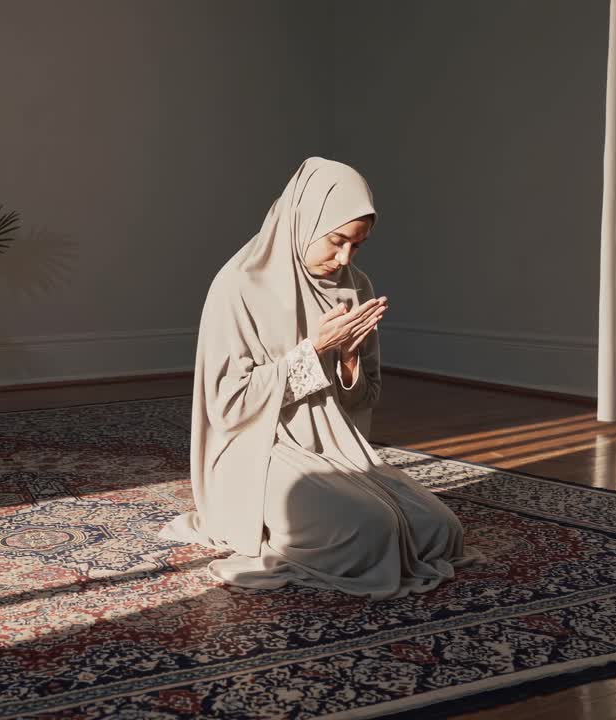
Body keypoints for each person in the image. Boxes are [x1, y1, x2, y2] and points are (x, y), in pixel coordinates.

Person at [159, 157, 484, 600]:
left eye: (357, 245)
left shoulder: (357, 287)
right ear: (302, 219)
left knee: (441, 530)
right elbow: (228, 405)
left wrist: (348, 360)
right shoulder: (238, 286)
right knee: (370, 532)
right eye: (336, 241)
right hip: (257, 449)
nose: (344, 257)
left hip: (336, 447)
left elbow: (361, 400)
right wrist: (314, 351)